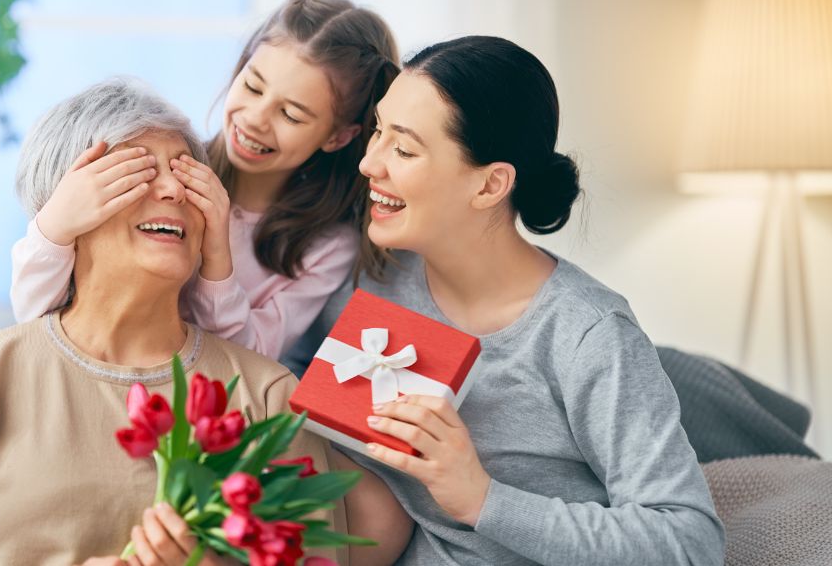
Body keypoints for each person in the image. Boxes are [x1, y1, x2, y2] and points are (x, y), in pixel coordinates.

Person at [0, 78, 407, 565]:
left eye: (186, 176)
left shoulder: (267, 397)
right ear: (66, 203)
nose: (171, 190)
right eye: (138, 173)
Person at [284, 36, 726, 565]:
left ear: (491, 185)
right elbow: (283, 373)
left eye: (403, 149)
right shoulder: (375, 273)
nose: (369, 164)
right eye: (378, 131)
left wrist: (481, 498)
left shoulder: (586, 333)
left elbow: (690, 542)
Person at [11, 0, 399, 360]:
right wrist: (55, 226)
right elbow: (38, 318)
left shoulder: (325, 247)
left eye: (291, 115)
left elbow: (250, 363)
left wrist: (217, 259)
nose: (255, 119)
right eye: (252, 86)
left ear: (338, 136)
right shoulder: (167, 176)